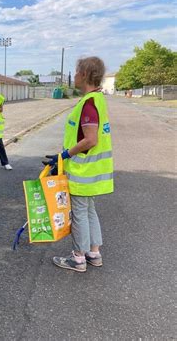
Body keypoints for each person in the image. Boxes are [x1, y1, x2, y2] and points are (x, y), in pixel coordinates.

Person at [43, 56, 114, 272]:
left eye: (75, 72)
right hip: (92, 171)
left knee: (80, 213)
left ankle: (78, 258)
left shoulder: (90, 103)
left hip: (83, 171)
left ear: (84, 74)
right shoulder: (96, 100)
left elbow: (90, 139)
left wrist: (63, 155)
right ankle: (94, 252)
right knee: (89, 210)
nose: (73, 76)